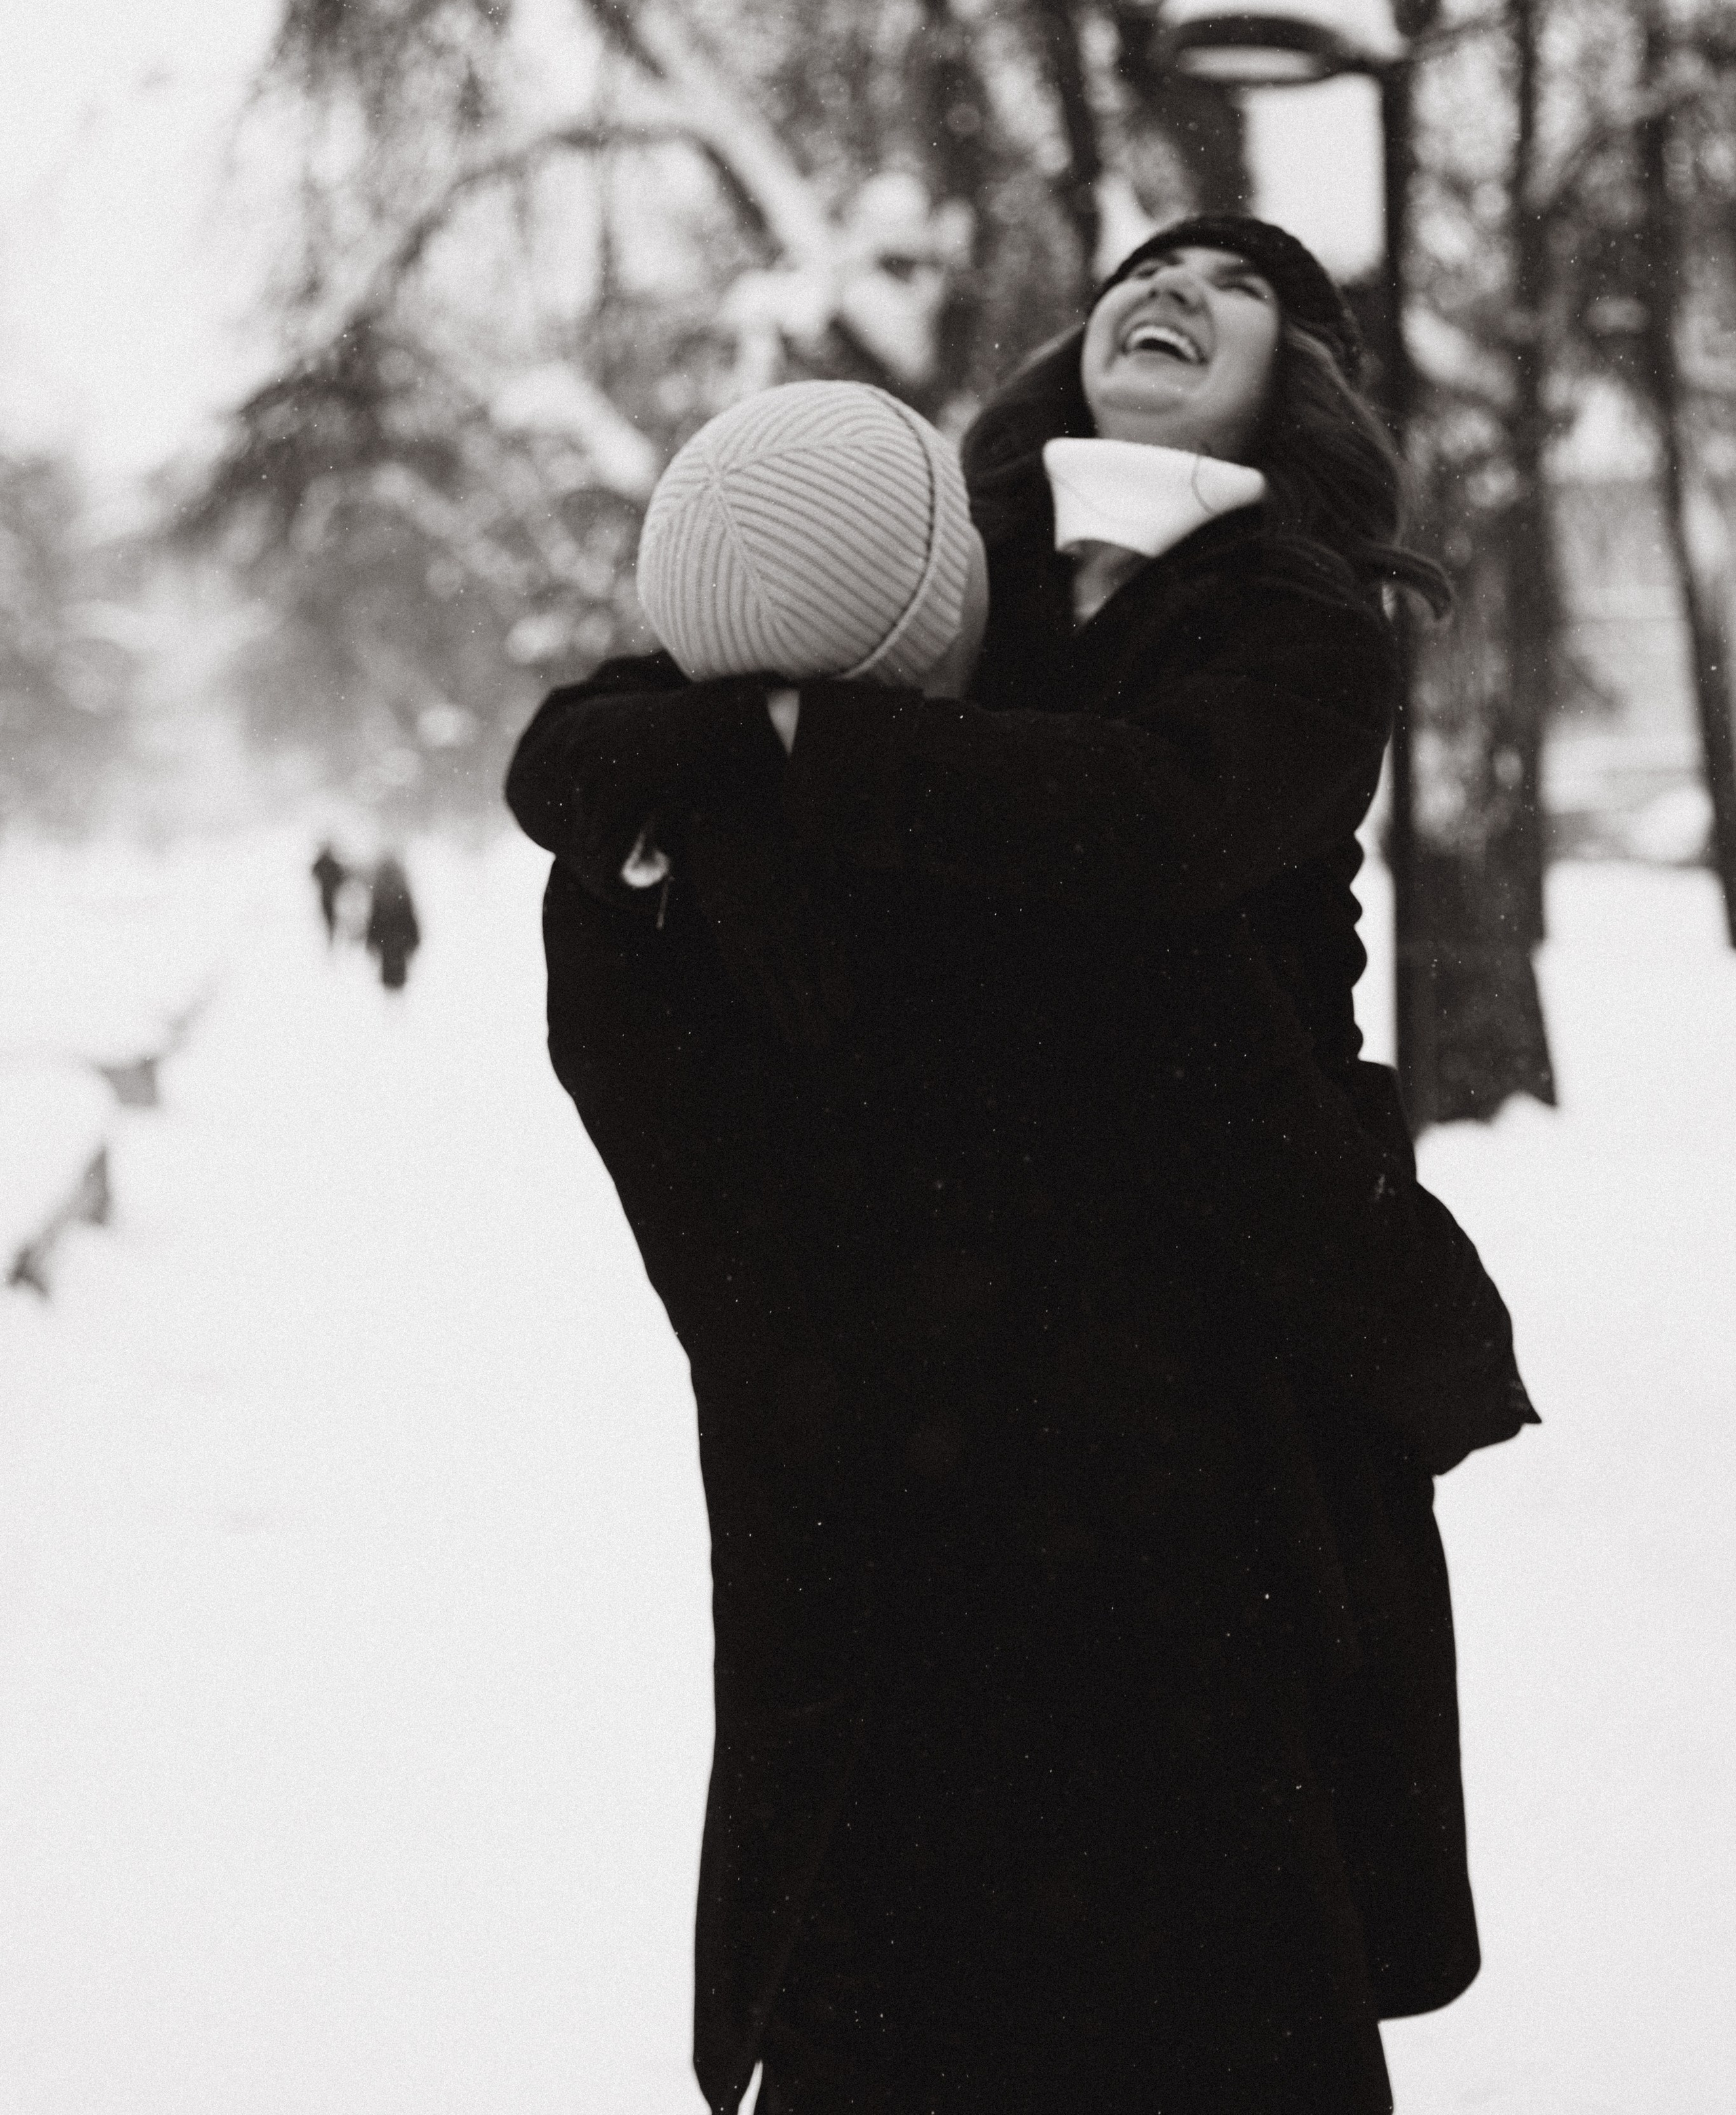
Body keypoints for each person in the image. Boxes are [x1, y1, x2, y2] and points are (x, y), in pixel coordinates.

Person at [507, 360, 1535, 2115]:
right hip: (1156, 1630)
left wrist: (719, 748)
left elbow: (609, 743)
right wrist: (1425, 1336)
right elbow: (1259, 1129)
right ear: (949, 609)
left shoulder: (626, 906)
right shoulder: (1061, 891)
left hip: (845, 1623)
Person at [364, 853, 420, 991]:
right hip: (397, 940)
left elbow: (374, 918)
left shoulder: (381, 888)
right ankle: (395, 989)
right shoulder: (400, 888)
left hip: (389, 940)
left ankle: (392, 989)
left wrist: (372, 939)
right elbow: (410, 916)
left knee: (392, 973)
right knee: (394, 973)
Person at [310, 841, 347, 945]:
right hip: (330, 895)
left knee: (330, 915)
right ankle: (332, 936)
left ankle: (332, 936)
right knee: (330, 915)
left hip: (330, 895)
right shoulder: (329, 863)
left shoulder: (326, 863)